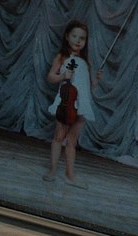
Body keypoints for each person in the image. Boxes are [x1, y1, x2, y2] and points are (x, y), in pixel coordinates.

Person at [43, 20, 101, 188]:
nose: (78, 40)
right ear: (67, 37)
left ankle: (70, 175)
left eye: (82, 38)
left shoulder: (86, 62)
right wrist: (63, 76)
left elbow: (88, 87)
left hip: (81, 103)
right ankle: (53, 170)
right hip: (66, 101)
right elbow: (50, 77)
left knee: (72, 140)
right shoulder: (62, 57)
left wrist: (96, 80)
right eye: (74, 36)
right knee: (58, 137)